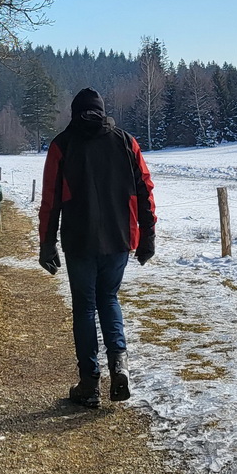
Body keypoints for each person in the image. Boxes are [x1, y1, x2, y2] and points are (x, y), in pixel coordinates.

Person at [38, 88, 156, 409]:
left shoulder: (62, 145)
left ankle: (89, 383)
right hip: (119, 239)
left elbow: (50, 201)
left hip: (79, 240)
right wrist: (147, 237)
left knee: (85, 307)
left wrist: (46, 244)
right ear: (103, 111)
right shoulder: (125, 142)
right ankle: (120, 368)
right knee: (109, 299)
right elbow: (145, 189)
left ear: (74, 113)